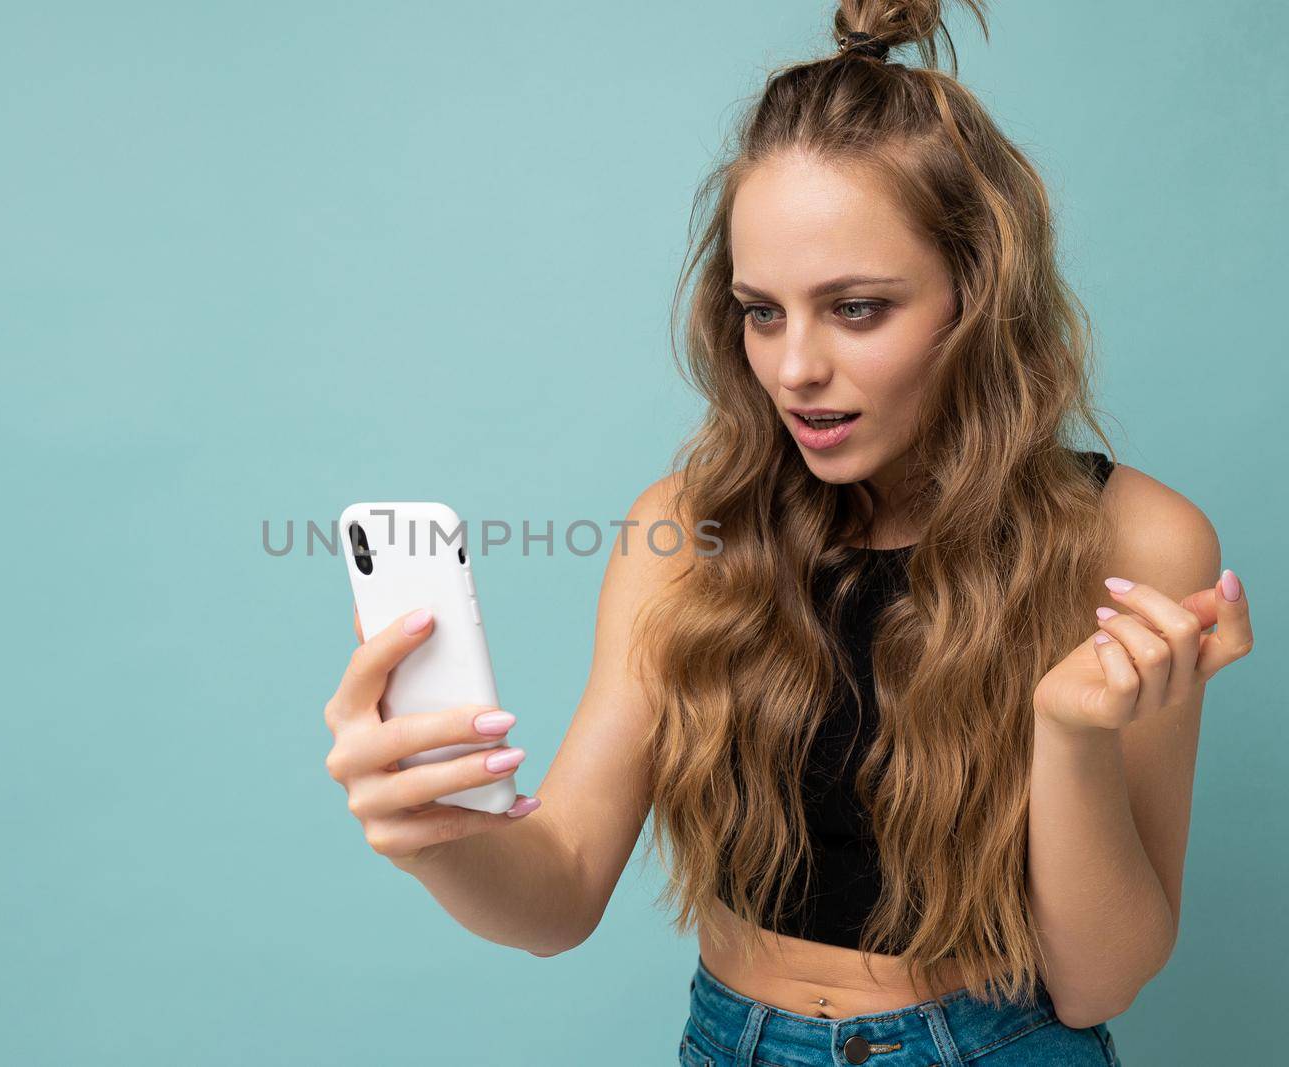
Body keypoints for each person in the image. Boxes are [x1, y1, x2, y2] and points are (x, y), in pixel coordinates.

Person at [320, 1, 1255, 1062]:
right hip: (733, 1038)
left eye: (854, 307)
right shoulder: (683, 531)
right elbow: (560, 891)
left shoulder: (1134, 537)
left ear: (977, 296)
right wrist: (436, 835)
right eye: (762, 310)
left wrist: (1073, 737)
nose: (794, 367)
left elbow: (1096, 981)